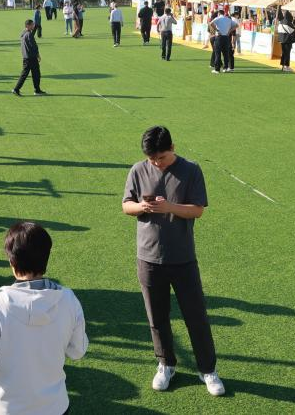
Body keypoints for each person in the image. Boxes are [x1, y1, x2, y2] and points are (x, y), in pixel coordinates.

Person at [121, 126, 223, 397]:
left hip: (182, 258)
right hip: (148, 257)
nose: (157, 163)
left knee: (196, 316)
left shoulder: (191, 170)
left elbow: (197, 210)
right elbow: (126, 205)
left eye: (162, 158)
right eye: (153, 159)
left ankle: (208, 369)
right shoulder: (138, 170)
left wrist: (169, 207)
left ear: (173, 148)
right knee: (157, 317)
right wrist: (142, 207)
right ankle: (166, 364)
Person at [0, 222, 89, 415]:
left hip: (8, 409)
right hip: (54, 407)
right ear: (46, 258)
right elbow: (77, 351)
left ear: (12, 262)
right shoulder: (69, 299)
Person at [13, 20, 44, 96]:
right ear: (27, 26)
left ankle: (36, 89)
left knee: (30, 73)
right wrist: (38, 55)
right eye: (32, 25)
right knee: (35, 74)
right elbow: (33, 46)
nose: (33, 26)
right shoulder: (29, 34)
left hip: (26, 57)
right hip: (31, 57)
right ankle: (17, 89)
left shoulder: (23, 33)